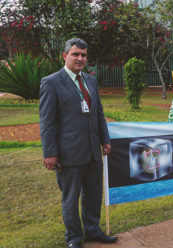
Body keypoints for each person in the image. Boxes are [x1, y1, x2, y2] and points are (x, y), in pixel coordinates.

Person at [39, 38, 117, 248]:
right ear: (65, 56)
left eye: (83, 55)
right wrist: (50, 152)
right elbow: (47, 122)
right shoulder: (52, 82)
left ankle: (92, 231)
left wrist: (105, 139)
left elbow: (98, 113)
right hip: (68, 154)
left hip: (93, 151)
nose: (80, 58)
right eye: (75, 54)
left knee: (93, 195)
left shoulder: (90, 81)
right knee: (71, 199)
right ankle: (73, 238)